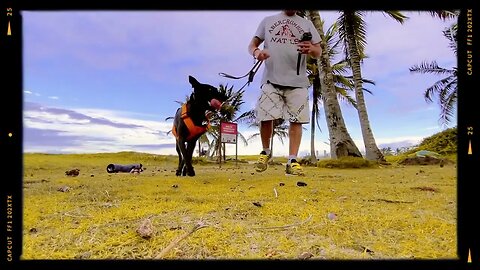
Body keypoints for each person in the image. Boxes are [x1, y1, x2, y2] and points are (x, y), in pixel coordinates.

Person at [248, 10, 321, 176]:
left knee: (297, 120)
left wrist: (311, 48)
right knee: (265, 116)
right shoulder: (268, 21)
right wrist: (257, 53)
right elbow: (252, 45)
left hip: (297, 81)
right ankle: (266, 152)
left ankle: (292, 160)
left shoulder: (306, 23)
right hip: (270, 79)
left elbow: (318, 51)